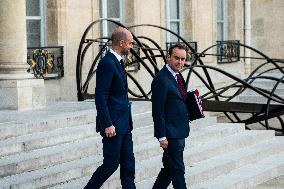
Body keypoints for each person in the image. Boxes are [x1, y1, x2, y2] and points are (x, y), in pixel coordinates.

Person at [84, 27, 136, 189]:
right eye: (130, 43)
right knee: (111, 164)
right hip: (113, 125)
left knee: (128, 165)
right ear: (121, 43)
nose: (132, 46)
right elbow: (101, 95)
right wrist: (107, 123)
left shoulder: (118, 61)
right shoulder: (107, 62)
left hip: (124, 123)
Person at [151, 43, 190, 189]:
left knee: (169, 169)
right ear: (168, 57)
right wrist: (161, 136)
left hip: (180, 130)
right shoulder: (161, 79)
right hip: (170, 134)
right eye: (176, 58)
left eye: (183, 59)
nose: (180, 62)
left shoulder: (178, 76)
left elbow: (180, 100)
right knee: (178, 170)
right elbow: (157, 110)